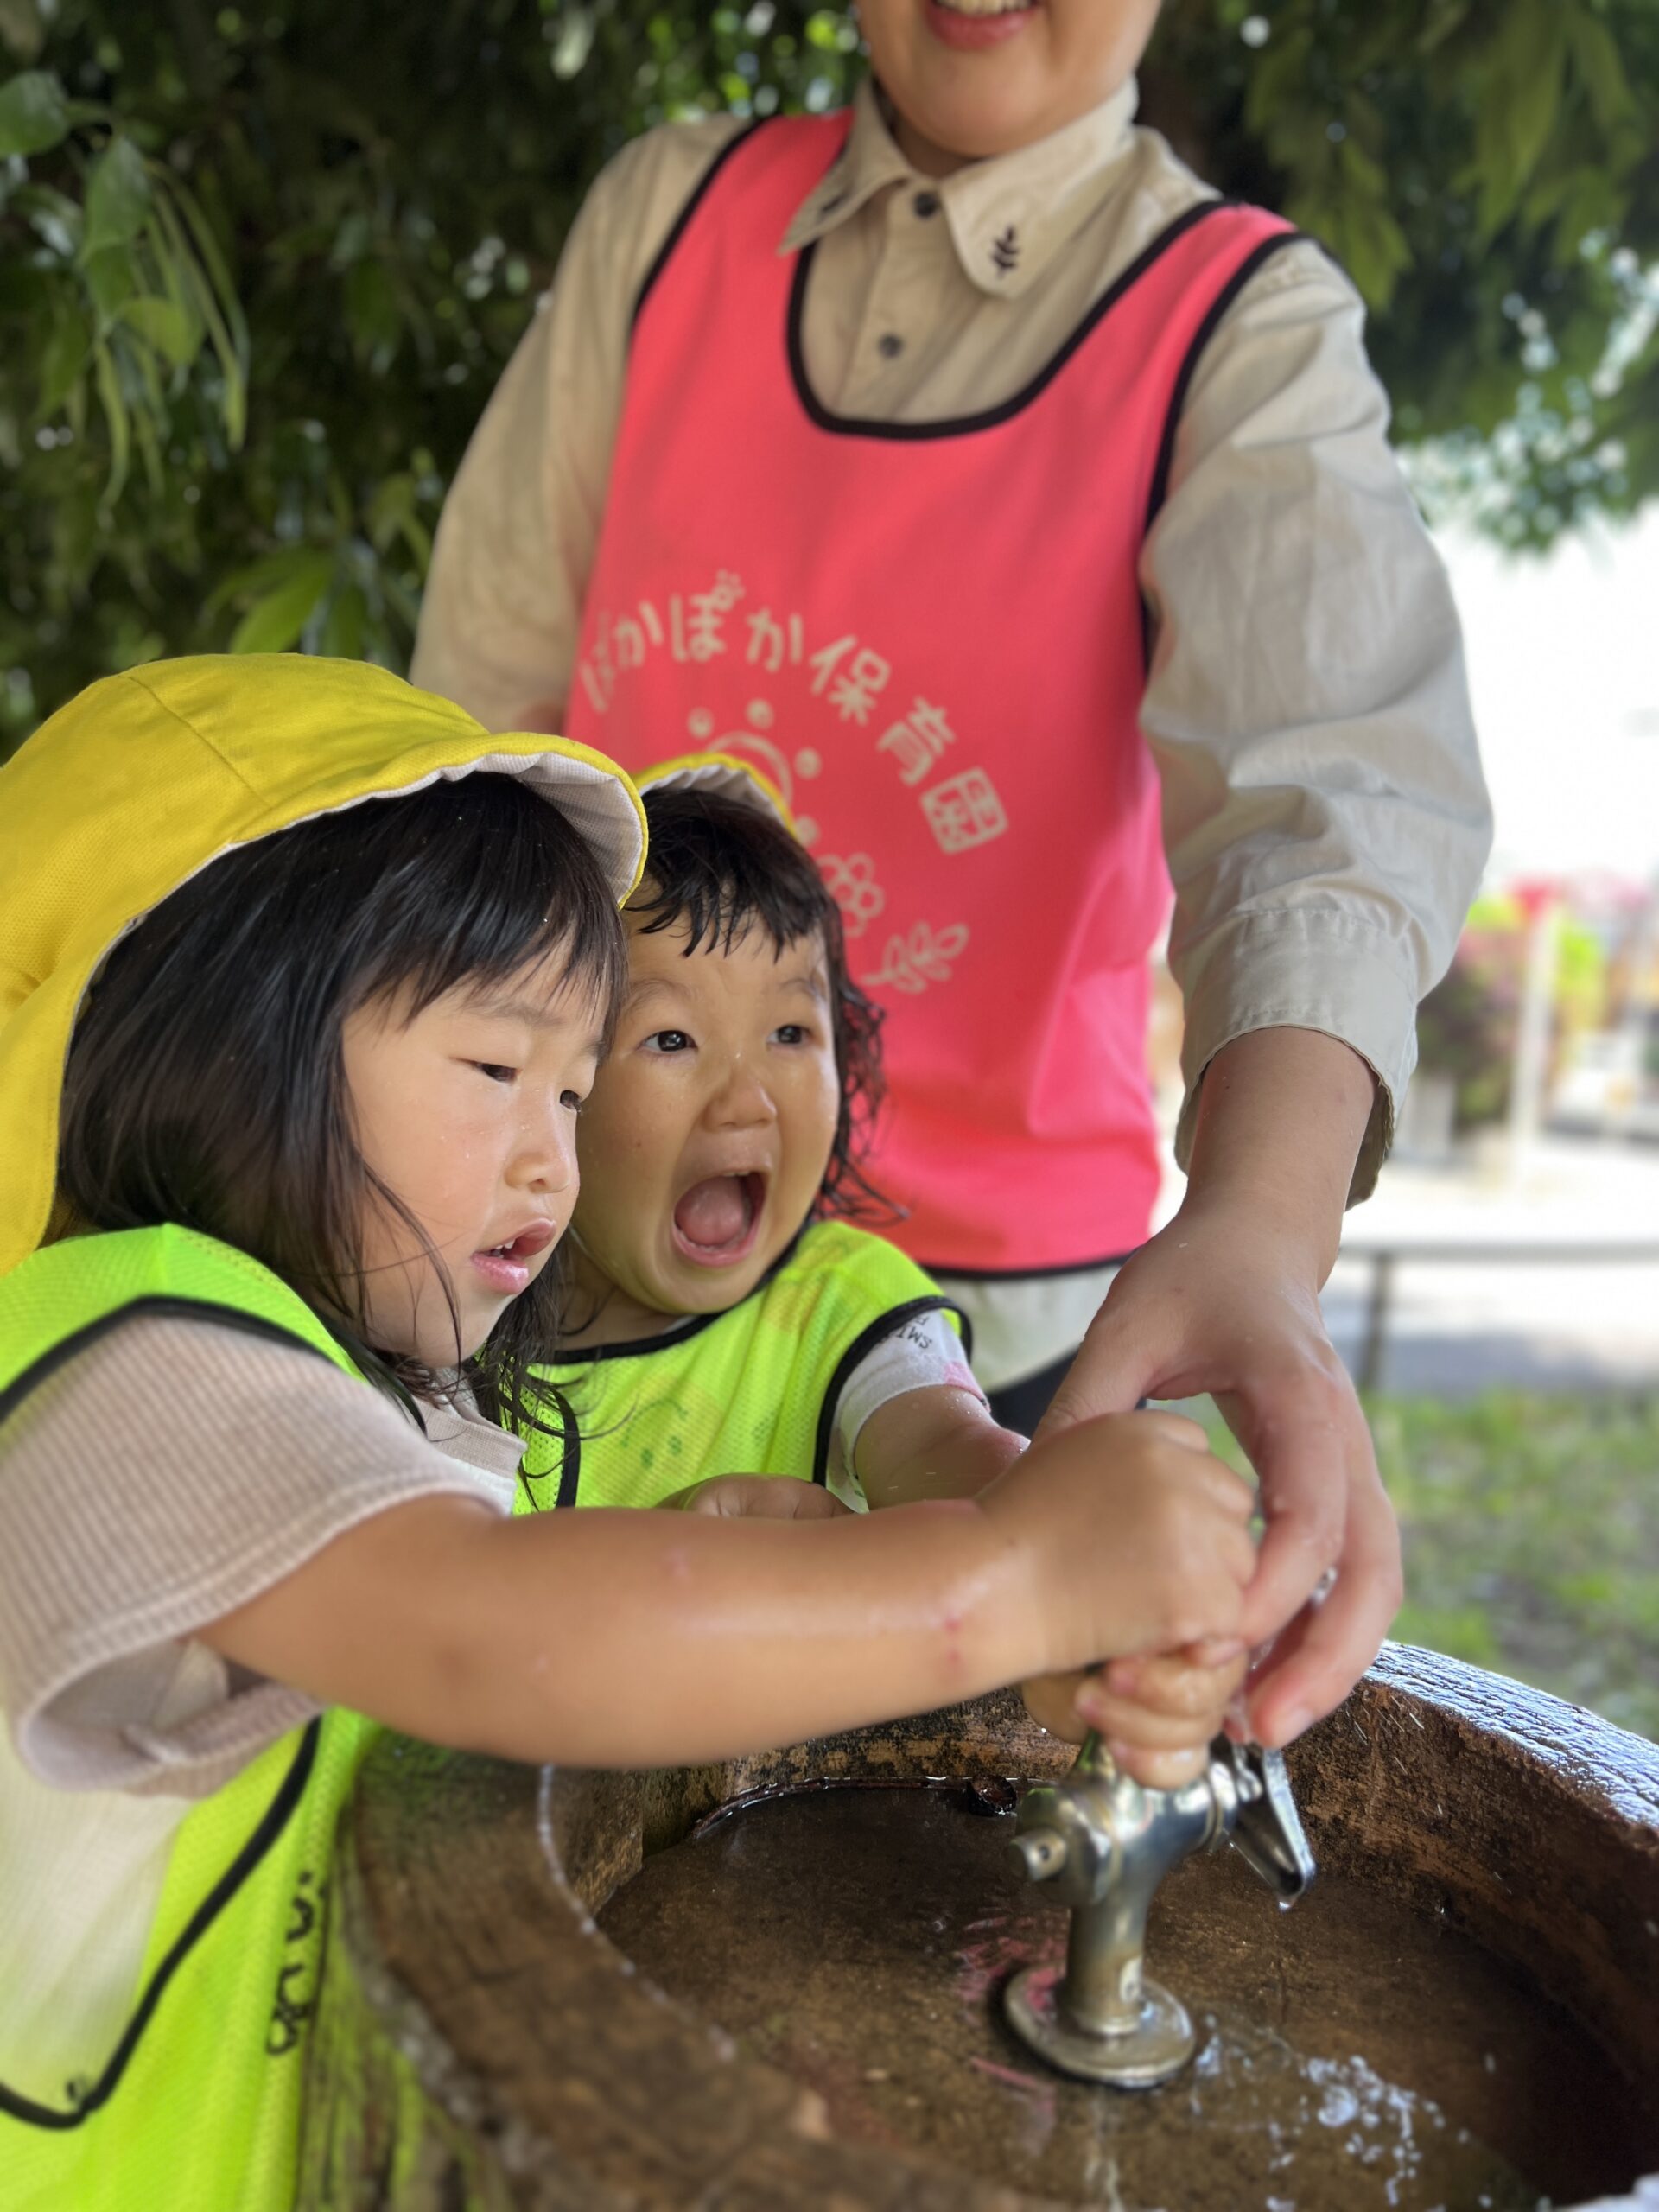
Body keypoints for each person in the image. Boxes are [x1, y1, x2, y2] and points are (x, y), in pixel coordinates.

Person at [0, 654, 1257, 2209]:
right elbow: (473, 1626)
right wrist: (1002, 1586)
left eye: (575, 1083)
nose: (553, 1156)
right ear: (228, 1043)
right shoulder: (129, 1351)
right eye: (497, 1069)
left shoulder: (362, 1384)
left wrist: (735, 1563)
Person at [411, 0, 1492, 1752]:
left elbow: (1334, 794)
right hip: (563, 1270)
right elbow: (465, 737)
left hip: (1000, 1335)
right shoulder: (666, 222)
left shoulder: (1238, 325)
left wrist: (1260, 1229)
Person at [525, 753, 1026, 1516]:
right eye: (670, 1040)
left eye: (791, 1032)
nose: (746, 1102)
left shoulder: (843, 1308)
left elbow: (946, 1450)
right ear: (558, 1080)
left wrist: (1040, 1494)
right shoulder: (464, 1313)